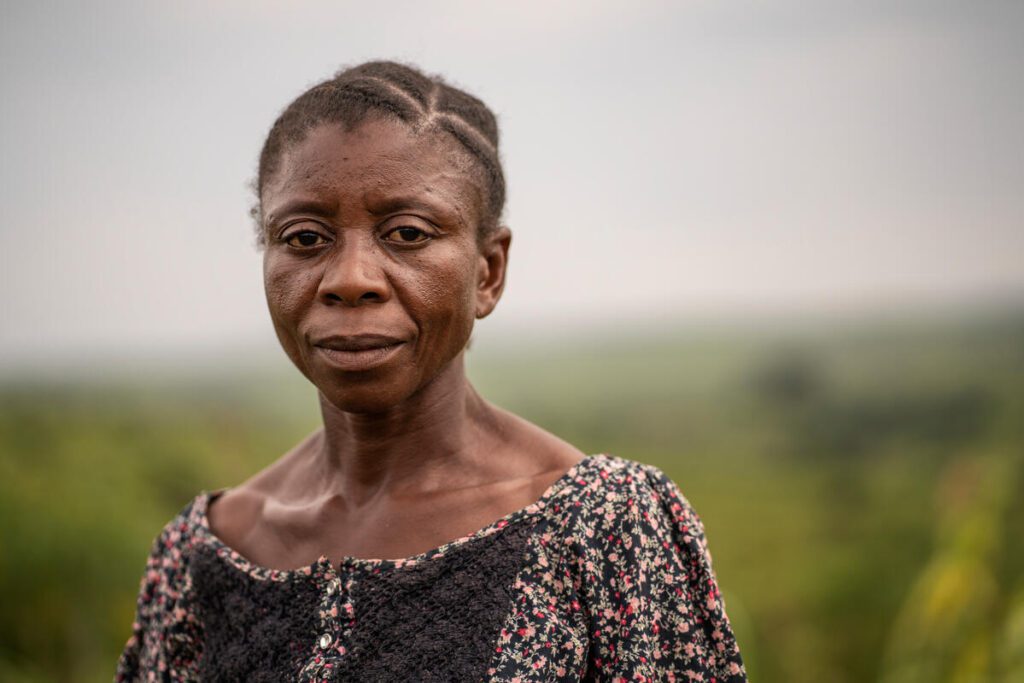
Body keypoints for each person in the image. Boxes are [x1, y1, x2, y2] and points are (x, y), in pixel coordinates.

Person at [115, 60, 746, 682]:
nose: (350, 279)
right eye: (305, 238)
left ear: (488, 271)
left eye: (408, 233)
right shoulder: (202, 556)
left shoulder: (605, 528)